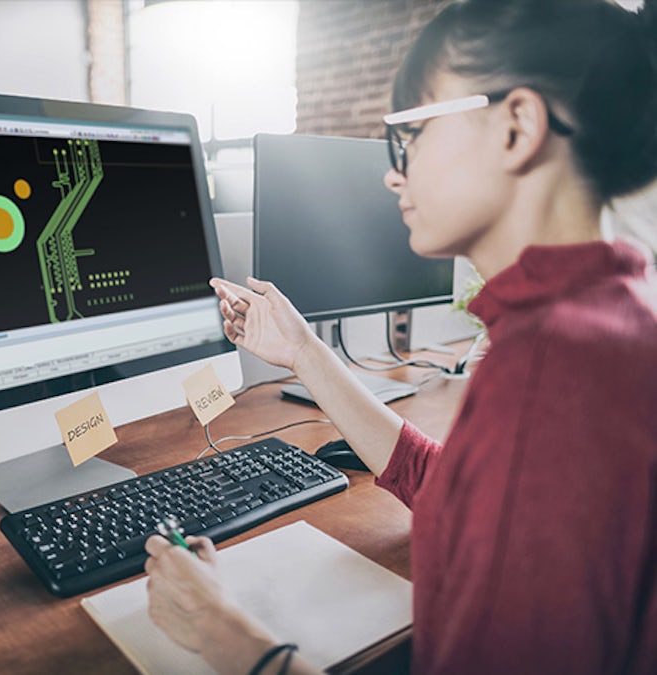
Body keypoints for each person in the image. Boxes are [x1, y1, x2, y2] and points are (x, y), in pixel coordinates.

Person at [143, 0, 657, 673]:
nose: (394, 172)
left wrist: (221, 629)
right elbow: (453, 489)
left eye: (410, 135)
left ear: (517, 127)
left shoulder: (549, 376)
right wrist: (302, 348)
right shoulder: (607, 322)